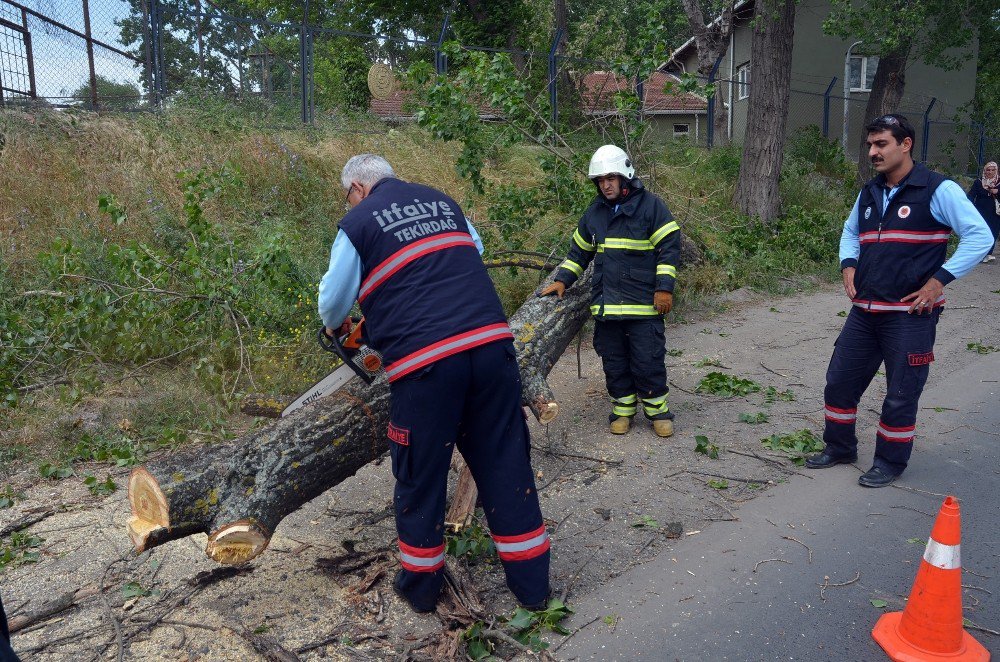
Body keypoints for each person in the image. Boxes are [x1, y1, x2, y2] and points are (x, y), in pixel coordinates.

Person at [317, 154, 550, 613]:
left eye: (348, 194)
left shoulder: (358, 222)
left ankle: (422, 589)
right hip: (491, 346)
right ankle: (534, 588)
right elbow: (471, 252)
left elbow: (331, 304)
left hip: (427, 365)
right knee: (505, 460)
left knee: (420, 471)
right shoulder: (442, 203)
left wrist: (342, 323)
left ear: (358, 189)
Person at [806, 114, 993, 487]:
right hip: (864, 313)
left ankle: (890, 461)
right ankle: (839, 447)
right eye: (870, 145)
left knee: (901, 393)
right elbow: (850, 231)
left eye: (881, 144)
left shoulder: (938, 189)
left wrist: (939, 281)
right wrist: (848, 266)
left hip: (910, 315)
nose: (873, 152)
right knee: (839, 383)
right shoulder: (870, 191)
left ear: (905, 144)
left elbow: (980, 236)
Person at [539, 145, 680, 437]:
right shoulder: (594, 214)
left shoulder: (651, 207)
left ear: (625, 176)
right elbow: (578, 253)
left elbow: (669, 248)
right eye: (600, 180)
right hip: (607, 308)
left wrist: (664, 288)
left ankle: (657, 413)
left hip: (644, 308)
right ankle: (623, 410)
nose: (606, 184)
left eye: (611, 178)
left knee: (648, 359)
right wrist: (563, 279)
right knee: (614, 362)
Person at [966, 161, 1000, 262]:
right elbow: (971, 196)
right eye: (988, 170)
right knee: (980, 232)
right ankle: (978, 253)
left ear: (996, 170)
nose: (990, 172)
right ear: (985, 171)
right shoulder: (979, 182)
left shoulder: (998, 183)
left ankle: (988, 253)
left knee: (993, 232)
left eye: (993, 170)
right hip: (980, 212)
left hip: (995, 213)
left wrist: (998, 192)